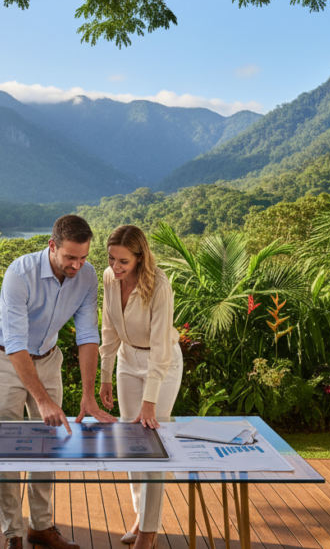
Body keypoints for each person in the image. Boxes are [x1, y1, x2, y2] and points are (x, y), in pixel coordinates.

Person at [0, 214, 116, 549]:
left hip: (48, 358)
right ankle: (13, 533)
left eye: (84, 257)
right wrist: (42, 400)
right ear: (52, 245)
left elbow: (87, 335)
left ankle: (40, 527)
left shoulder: (86, 277)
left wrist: (88, 395)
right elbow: (15, 342)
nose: (77, 265)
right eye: (71, 257)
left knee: (49, 444)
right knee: (8, 447)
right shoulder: (20, 272)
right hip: (6, 360)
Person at [98, 224, 183, 549]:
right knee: (131, 442)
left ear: (139, 257)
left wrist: (150, 401)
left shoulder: (158, 285)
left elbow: (162, 348)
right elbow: (108, 328)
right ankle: (141, 516)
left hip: (161, 364)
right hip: (127, 360)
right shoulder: (109, 278)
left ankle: (149, 531)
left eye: (123, 262)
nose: (116, 268)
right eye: (111, 259)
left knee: (152, 443)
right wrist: (106, 375)